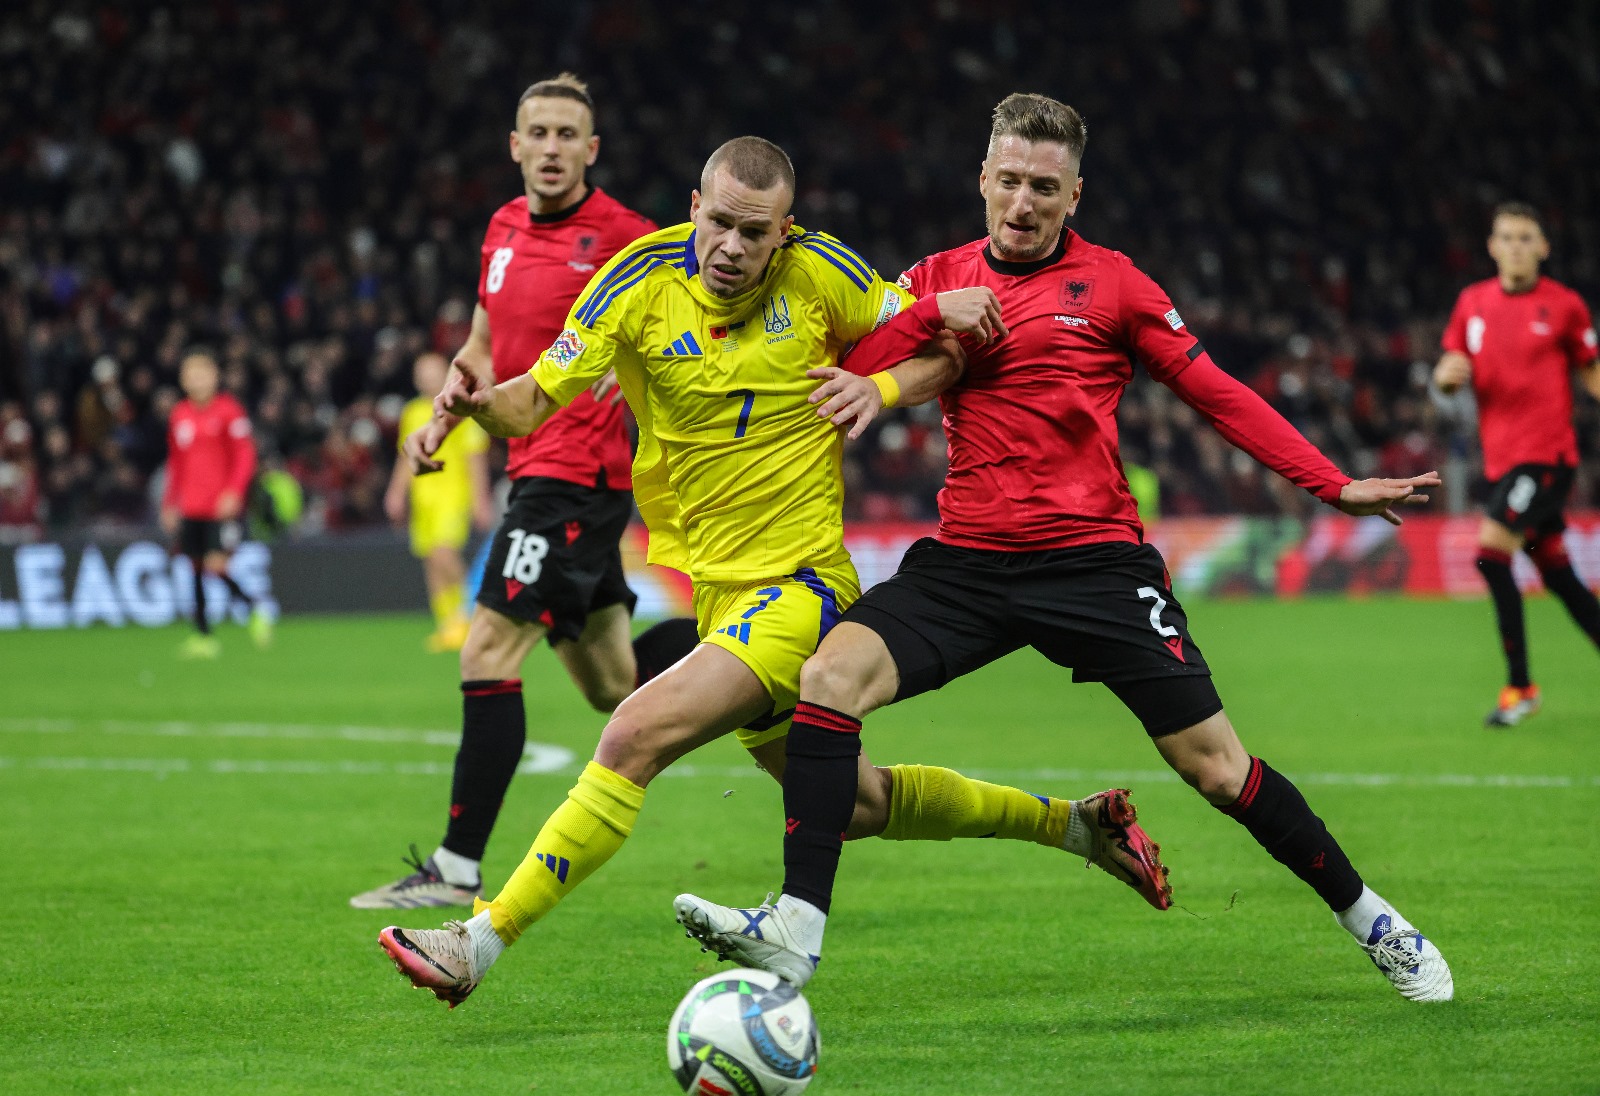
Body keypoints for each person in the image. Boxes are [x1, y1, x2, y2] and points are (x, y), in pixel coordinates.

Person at [677, 93, 1456, 1003]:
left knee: (1215, 768)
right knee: (827, 679)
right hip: (967, 563)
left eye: (1044, 187)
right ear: (982, 180)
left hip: (1095, 566)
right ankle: (797, 932)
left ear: (1074, 194)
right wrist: (936, 314)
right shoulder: (935, 276)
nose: (1023, 203)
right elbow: (870, 354)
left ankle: (1374, 920)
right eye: (1008, 181)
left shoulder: (1119, 287)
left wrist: (1333, 483)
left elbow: (1218, 394)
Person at [375, 135, 1171, 1007]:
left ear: (784, 233)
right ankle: (1076, 827)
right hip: (720, 595)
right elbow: (532, 397)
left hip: (804, 588)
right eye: (718, 223)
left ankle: (478, 940)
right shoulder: (636, 281)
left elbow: (944, 348)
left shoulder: (826, 273)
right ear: (693, 209)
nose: (731, 247)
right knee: (859, 805)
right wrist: (479, 405)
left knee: (632, 733)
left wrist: (880, 389)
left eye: (755, 233)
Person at [352, 75, 704, 910]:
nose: (550, 147)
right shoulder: (502, 229)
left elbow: (690, 326)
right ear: (515, 146)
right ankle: (756, 647)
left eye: (566, 134)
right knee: (612, 684)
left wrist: (644, 378)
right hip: (528, 462)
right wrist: (443, 418)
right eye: (536, 133)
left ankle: (456, 870)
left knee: (486, 651)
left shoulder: (630, 237)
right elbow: (482, 339)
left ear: (591, 149)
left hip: (573, 475)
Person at [1434, 201, 1600, 727]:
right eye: (1506, 237)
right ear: (1491, 246)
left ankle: (1520, 687)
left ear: (1543, 248)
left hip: (1547, 459)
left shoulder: (1565, 306)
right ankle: (1523, 686)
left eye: (1526, 238)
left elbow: (1592, 372)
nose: (1516, 247)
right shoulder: (1472, 303)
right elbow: (1446, 372)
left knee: (1491, 553)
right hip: (1502, 463)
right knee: (1561, 577)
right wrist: (1445, 378)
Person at [161, 348, 270, 658]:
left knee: (215, 564)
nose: (196, 381)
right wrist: (170, 502)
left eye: (202, 374)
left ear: (214, 377)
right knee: (194, 568)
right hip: (190, 506)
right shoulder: (179, 415)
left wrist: (234, 492)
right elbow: (176, 463)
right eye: (190, 375)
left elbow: (245, 455)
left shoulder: (229, 411)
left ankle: (253, 607)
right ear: (183, 380)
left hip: (220, 506)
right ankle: (203, 636)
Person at [384, 352, 494, 653]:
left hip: (452, 495)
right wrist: (395, 493)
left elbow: (475, 457)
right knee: (431, 560)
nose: (426, 378)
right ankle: (448, 625)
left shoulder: (460, 407)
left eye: (432, 371)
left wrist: (480, 500)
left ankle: (469, 616)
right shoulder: (412, 411)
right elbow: (406, 455)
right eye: (421, 372)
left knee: (445, 555)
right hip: (424, 497)